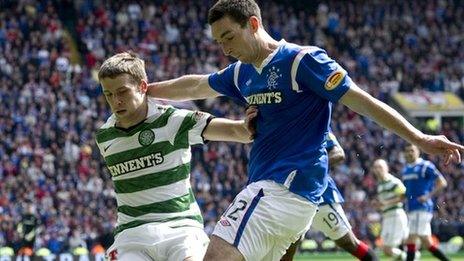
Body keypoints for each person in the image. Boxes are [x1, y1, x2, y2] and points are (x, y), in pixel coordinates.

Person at [146, 1, 463, 260]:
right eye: (218, 41)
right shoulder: (241, 73)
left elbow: (362, 102)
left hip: (284, 187)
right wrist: (147, 91)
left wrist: (419, 138)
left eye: (229, 37)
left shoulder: (302, 61)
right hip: (282, 195)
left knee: (215, 256)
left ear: (253, 24)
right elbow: (198, 84)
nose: (224, 48)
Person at [95, 52, 253, 261]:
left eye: (122, 91)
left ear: (143, 87)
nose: (116, 101)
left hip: (180, 228)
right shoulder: (104, 137)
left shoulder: (173, 120)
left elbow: (238, 132)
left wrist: (250, 123)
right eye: (109, 94)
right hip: (132, 235)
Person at [281, 131, 378, 261]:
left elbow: (338, 153)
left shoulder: (318, 123)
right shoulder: (281, 125)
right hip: (292, 195)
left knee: (348, 243)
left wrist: (309, 167)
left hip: (320, 194)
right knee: (287, 250)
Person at [402, 144, 450, 261]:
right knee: (427, 243)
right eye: (407, 151)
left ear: (418, 151)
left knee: (411, 238)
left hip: (422, 207)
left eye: (412, 150)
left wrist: (428, 196)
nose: (409, 153)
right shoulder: (406, 169)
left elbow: (442, 182)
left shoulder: (425, 166)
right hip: (411, 208)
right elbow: (408, 191)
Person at [372, 159, 409, 260]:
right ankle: (408, 257)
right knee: (386, 250)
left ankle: (411, 258)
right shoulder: (380, 184)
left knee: (387, 249)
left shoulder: (392, 181)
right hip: (387, 216)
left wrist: (386, 203)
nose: (377, 169)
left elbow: (405, 195)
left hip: (395, 215)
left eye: (380, 167)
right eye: (375, 167)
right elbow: (384, 202)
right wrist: (378, 205)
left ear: (386, 168)